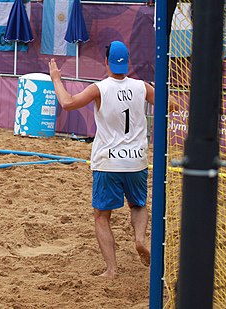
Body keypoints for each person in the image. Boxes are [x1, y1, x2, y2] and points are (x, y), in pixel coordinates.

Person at [48, 41, 155, 279]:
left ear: (106, 62)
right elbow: (171, 105)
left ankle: (111, 270)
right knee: (138, 204)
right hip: (136, 160)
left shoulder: (99, 88)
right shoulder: (142, 87)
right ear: (128, 62)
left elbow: (67, 103)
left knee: (101, 216)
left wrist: (56, 78)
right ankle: (139, 239)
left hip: (108, 161)